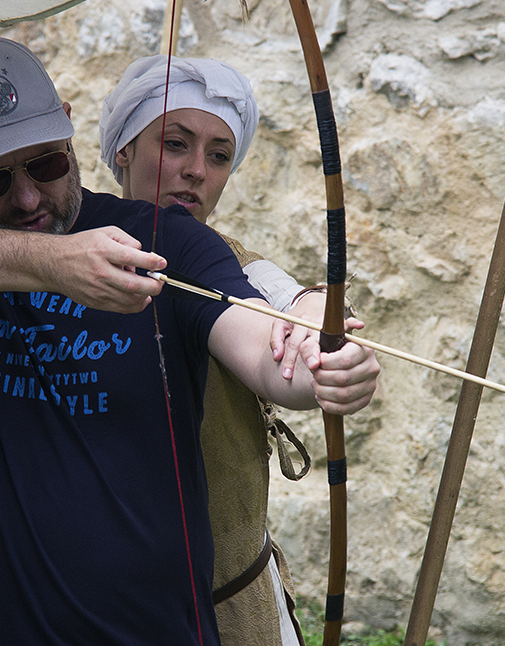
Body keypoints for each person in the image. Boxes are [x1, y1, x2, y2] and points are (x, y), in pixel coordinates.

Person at [0, 36, 379, 646]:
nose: (27, 197)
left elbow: (265, 346)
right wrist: (52, 262)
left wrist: (321, 368)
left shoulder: (165, 239)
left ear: (68, 132)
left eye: (46, 164)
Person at [100, 55, 332, 646]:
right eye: (175, 144)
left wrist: (315, 313)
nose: (196, 171)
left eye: (220, 155)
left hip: (230, 609)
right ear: (124, 148)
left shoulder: (229, 265)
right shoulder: (63, 252)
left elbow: (286, 301)